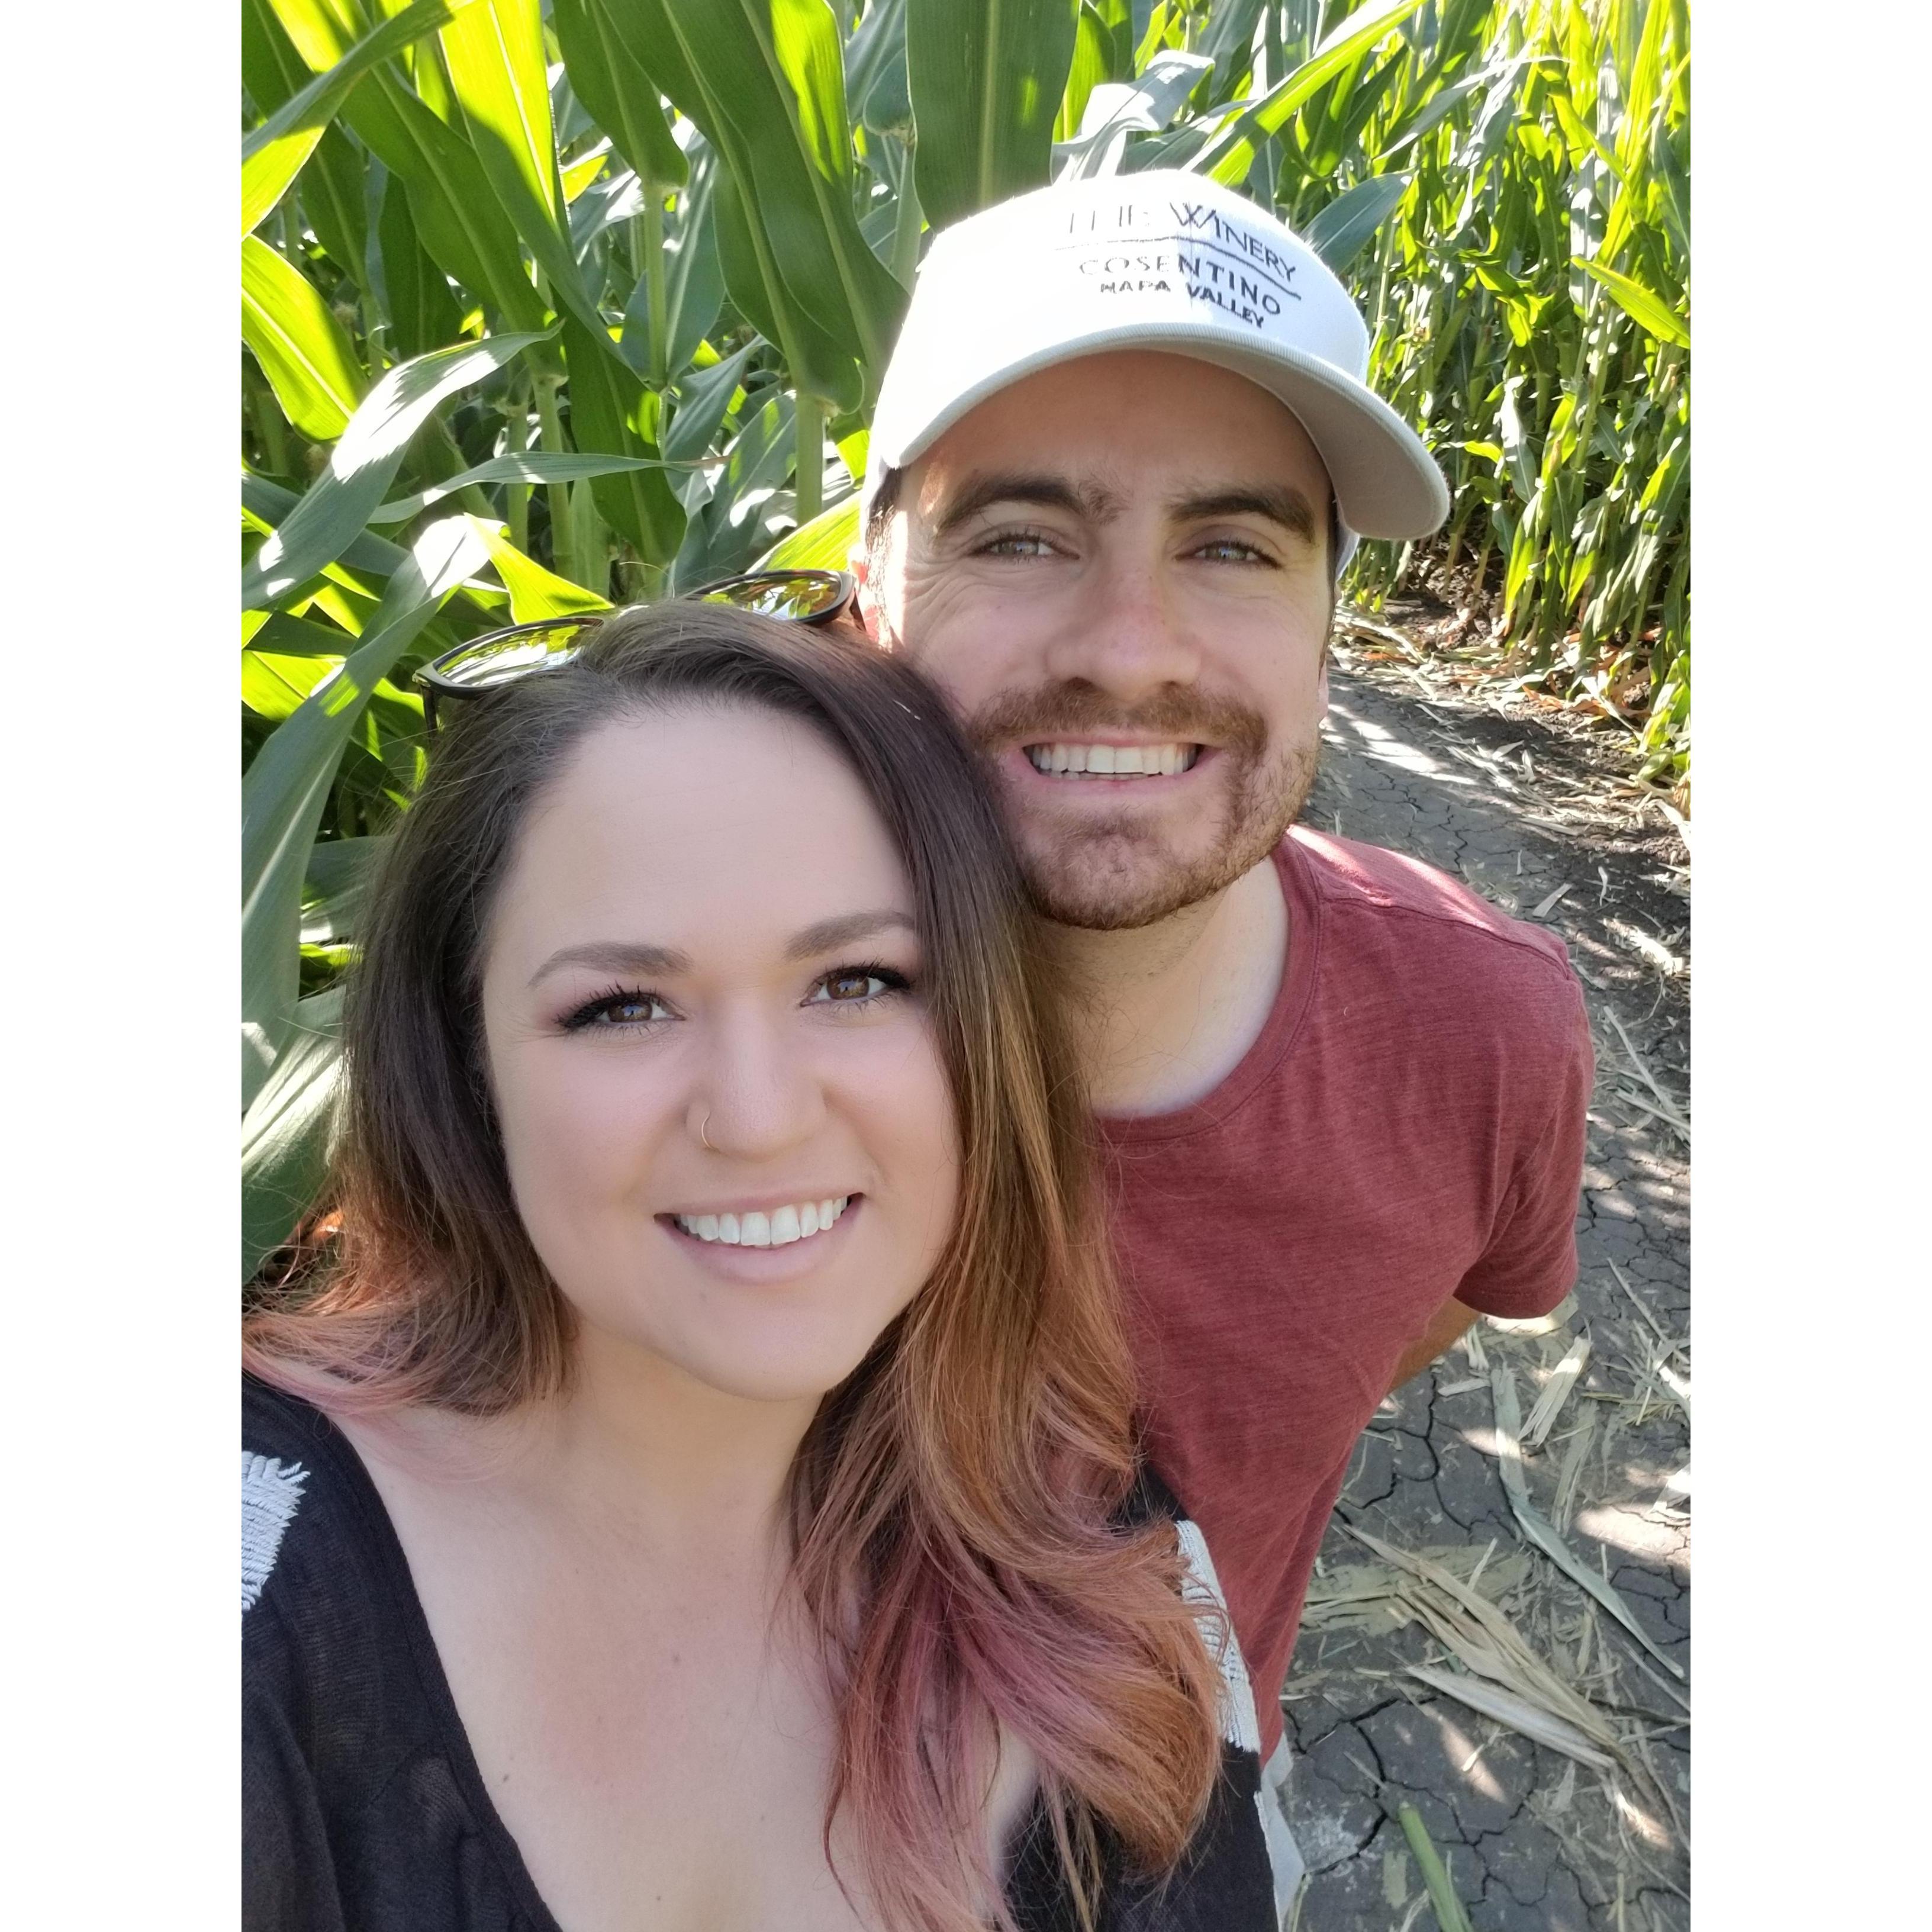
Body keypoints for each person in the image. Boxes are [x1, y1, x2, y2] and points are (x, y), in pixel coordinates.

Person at [242, 598, 1281, 1932]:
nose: (759, 1115)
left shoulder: (1108, 1552)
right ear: (468, 1070)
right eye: (621, 1006)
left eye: (855, 981)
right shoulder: (249, 1596)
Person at [851, 170, 1595, 1908]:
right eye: (1022, 536)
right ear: (869, 575)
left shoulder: (1484, 1036)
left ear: (1338, 614)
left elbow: (1406, 1321)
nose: (1129, 648)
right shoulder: (638, 1026)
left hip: (1162, 1808)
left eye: (1233, 547)